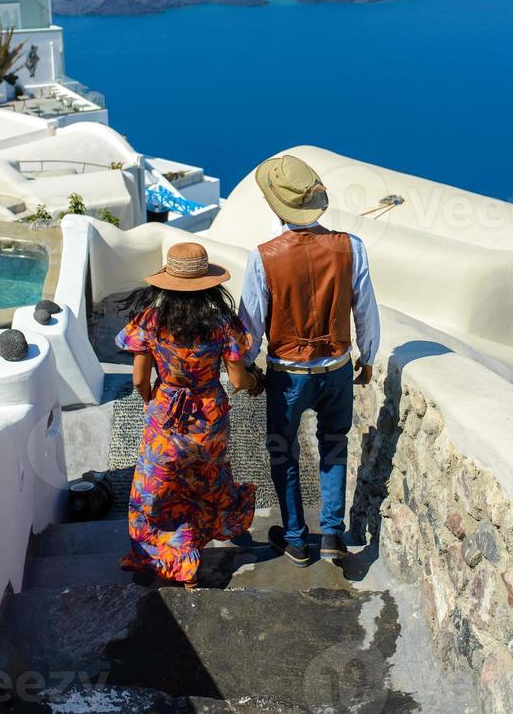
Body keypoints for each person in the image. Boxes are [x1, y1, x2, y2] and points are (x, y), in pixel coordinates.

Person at [239, 154, 380, 568]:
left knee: (284, 454)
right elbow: (366, 310)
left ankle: (298, 539)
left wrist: (247, 366)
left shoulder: (263, 256)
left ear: (275, 205)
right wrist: (367, 357)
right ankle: (333, 534)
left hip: (288, 376)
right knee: (334, 446)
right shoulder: (351, 247)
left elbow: (251, 321)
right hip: (336, 369)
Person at [116, 241, 262, 589]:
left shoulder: (150, 318)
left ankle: (177, 561)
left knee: (157, 490)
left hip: (166, 412)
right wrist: (257, 380)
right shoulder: (222, 321)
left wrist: (153, 398)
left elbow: (139, 378)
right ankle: (191, 560)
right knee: (202, 484)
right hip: (210, 417)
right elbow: (239, 379)